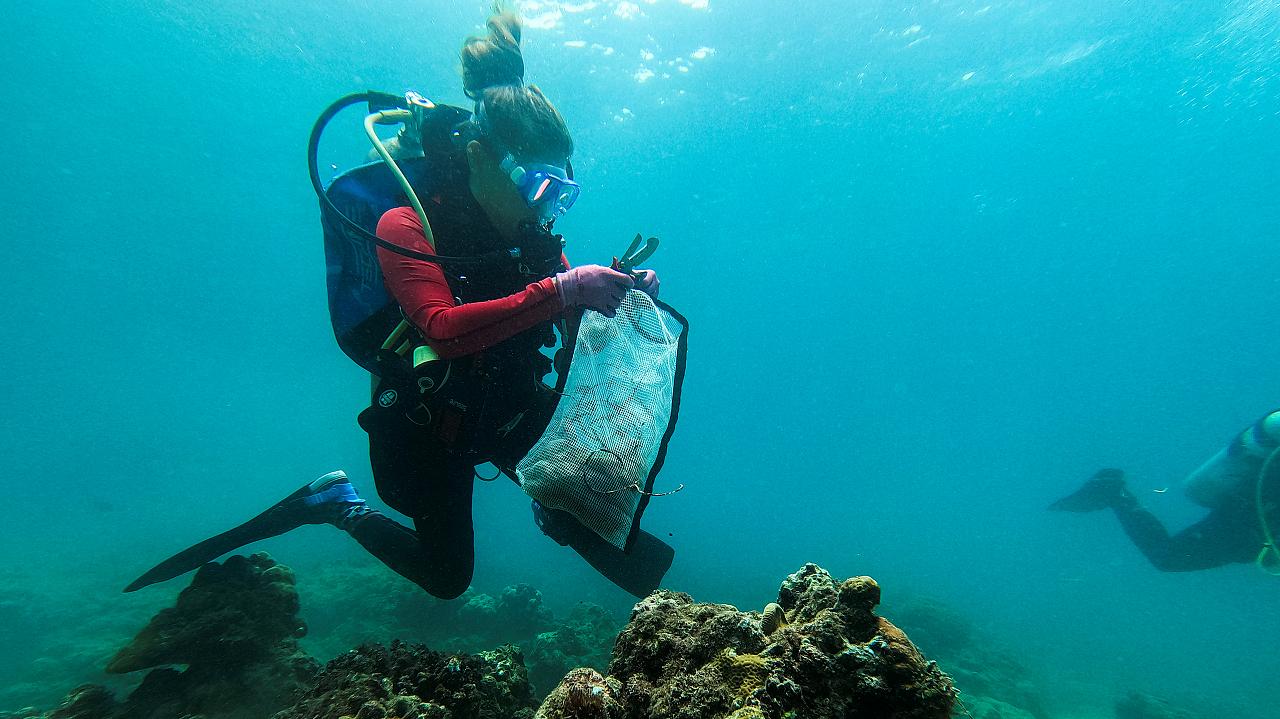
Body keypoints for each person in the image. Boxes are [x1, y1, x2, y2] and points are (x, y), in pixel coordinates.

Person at [125, 10, 675, 600]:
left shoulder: (527, 239)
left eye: (560, 194)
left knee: (604, 524)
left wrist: (618, 292)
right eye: (537, 188)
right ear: (481, 160)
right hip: (427, 418)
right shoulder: (406, 221)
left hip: (505, 403)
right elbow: (441, 330)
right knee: (448, 577)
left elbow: (563, 308)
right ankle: (336, 504)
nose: (546, 209)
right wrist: (566, 290)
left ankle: (666, 610)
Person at [1049, 409, 1280, 572]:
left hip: (1258, 524)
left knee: (1170, 558)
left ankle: (1113, 492)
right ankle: (1115, 493)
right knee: (1169, 558)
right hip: (1249, 522)